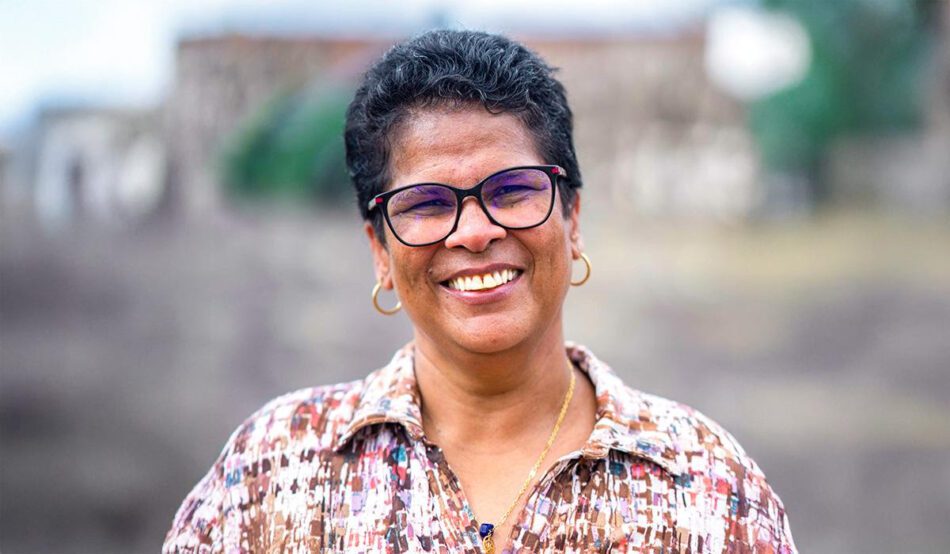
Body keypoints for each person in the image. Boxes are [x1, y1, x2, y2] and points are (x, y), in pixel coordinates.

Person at [164, 30, 797, 553]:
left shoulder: (708, 487)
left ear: (572, 219)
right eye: (427, 203)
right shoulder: (270, 475)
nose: (474, 232)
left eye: (512, 190)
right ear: (380, 250)